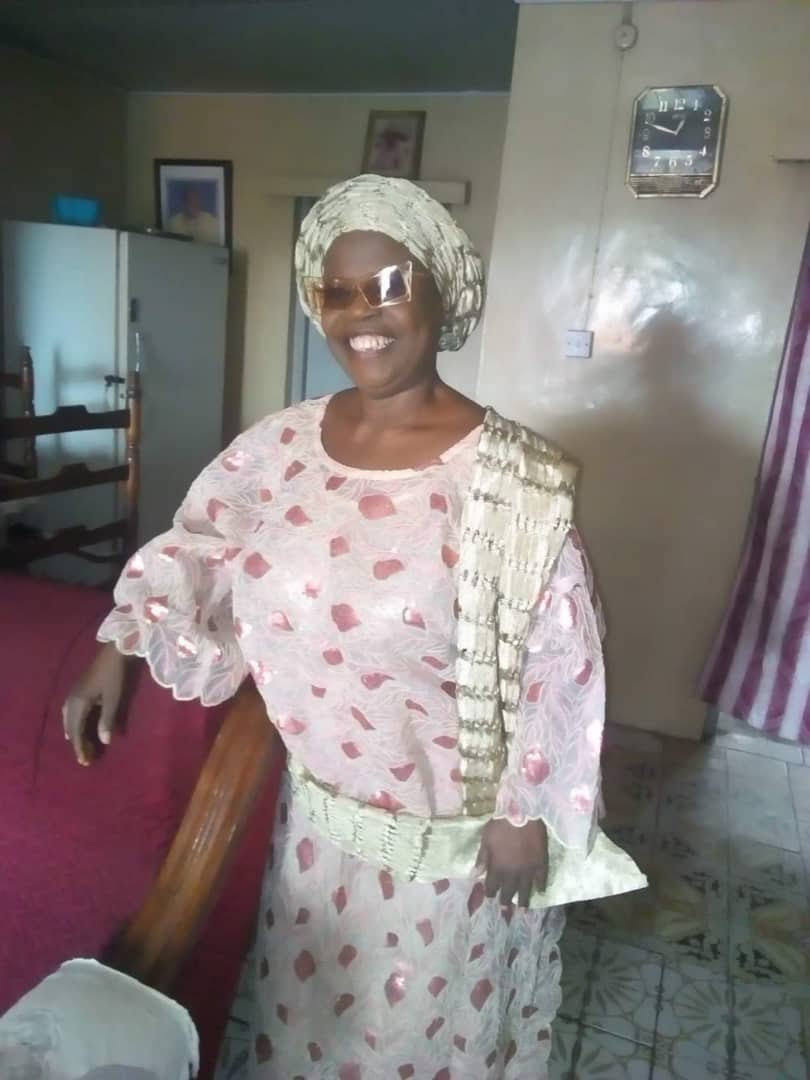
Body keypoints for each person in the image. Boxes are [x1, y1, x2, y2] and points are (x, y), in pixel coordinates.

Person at [63, 175, 645, 1079]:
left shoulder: (513, 481)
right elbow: (203, 543)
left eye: (389, 286)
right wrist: (120, 639)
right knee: (310, 1031)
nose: (360, 314)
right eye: (336, 292)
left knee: (416, 1045)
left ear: (440, 292)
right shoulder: (281, 446)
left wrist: (528, 814)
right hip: (314, 829)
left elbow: (561, 663)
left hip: (446, 850)